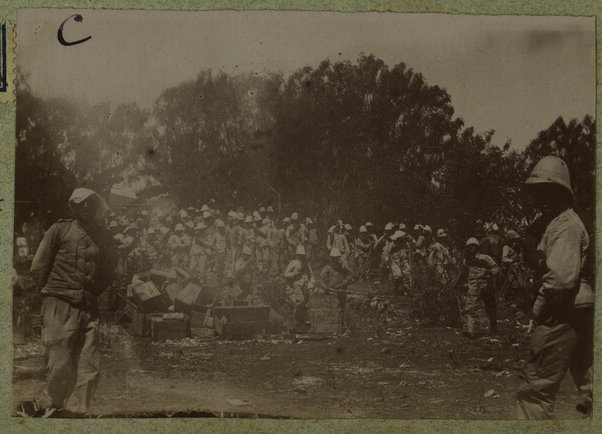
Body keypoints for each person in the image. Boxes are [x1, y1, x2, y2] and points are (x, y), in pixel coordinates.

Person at [516, 156, 589, 419]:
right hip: (575, 310)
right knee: (589, 385)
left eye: (549, 191)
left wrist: (537, 310)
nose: (541, 198)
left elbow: (560, 280)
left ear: (563, 192)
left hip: (561, 310)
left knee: (533, 391)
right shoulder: (551, 223)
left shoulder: (565, 225)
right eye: (537, 192)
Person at [30, 188, 114, 416]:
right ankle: (52, 404)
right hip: (59, 303)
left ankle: (77, 413)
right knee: (60, 363)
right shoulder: (59, 230)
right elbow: (38, 267)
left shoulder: (104, 236)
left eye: (90, 203)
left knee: (89, 365)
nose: (86, 207)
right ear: (73, 207)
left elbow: (109, 272)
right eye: (80, 204)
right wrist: (48, 298)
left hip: (88, 306)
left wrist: (93, 294)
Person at [462, 238, 500, 337]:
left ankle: (494, 329)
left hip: (486, 286)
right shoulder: (467, 260)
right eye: (470, 246)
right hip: (473, 286)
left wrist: (488, 272)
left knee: (491, 307)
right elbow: (464, 272)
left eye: (474, 246)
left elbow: (496, 268)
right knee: (470, 307)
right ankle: (471, 330)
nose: (472, 248)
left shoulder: (486, 258)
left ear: (478, 247)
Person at [283, 244, 314, 328]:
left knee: (305, 304)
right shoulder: (293, 262)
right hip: (297, 285)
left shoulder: (307, 263)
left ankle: (304, 321)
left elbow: (311, 275)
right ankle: (297, 321)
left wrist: (311, 285)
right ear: (297, 255)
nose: (301, 256)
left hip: (306, 286)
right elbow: (286, 274)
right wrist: (294, 274)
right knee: (299, 302)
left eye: (302, 255)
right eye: (299, 255)